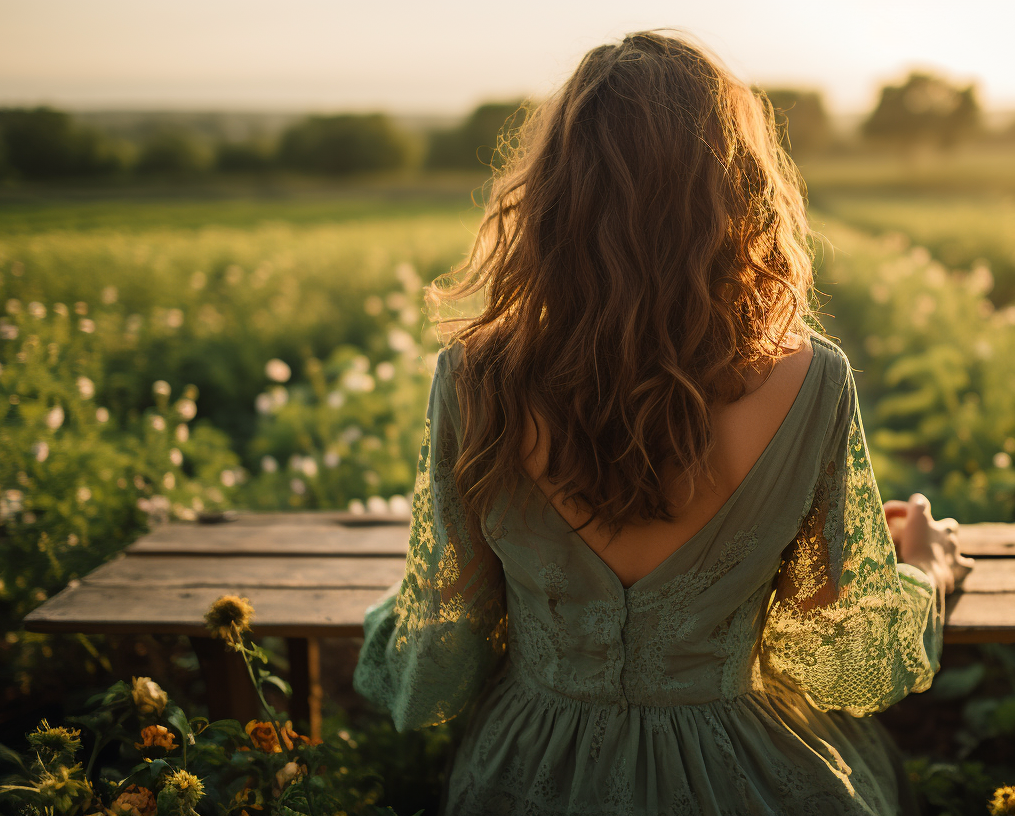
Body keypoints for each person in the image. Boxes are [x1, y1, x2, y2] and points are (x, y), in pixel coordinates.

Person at [354, 31, 970, 815]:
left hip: (528, 775)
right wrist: (927, 571)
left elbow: (443, 643)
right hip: (745, 776)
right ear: (737, 191)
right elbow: (849, 656)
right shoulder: (810, 380)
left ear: (551, 199)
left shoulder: (475, 377)